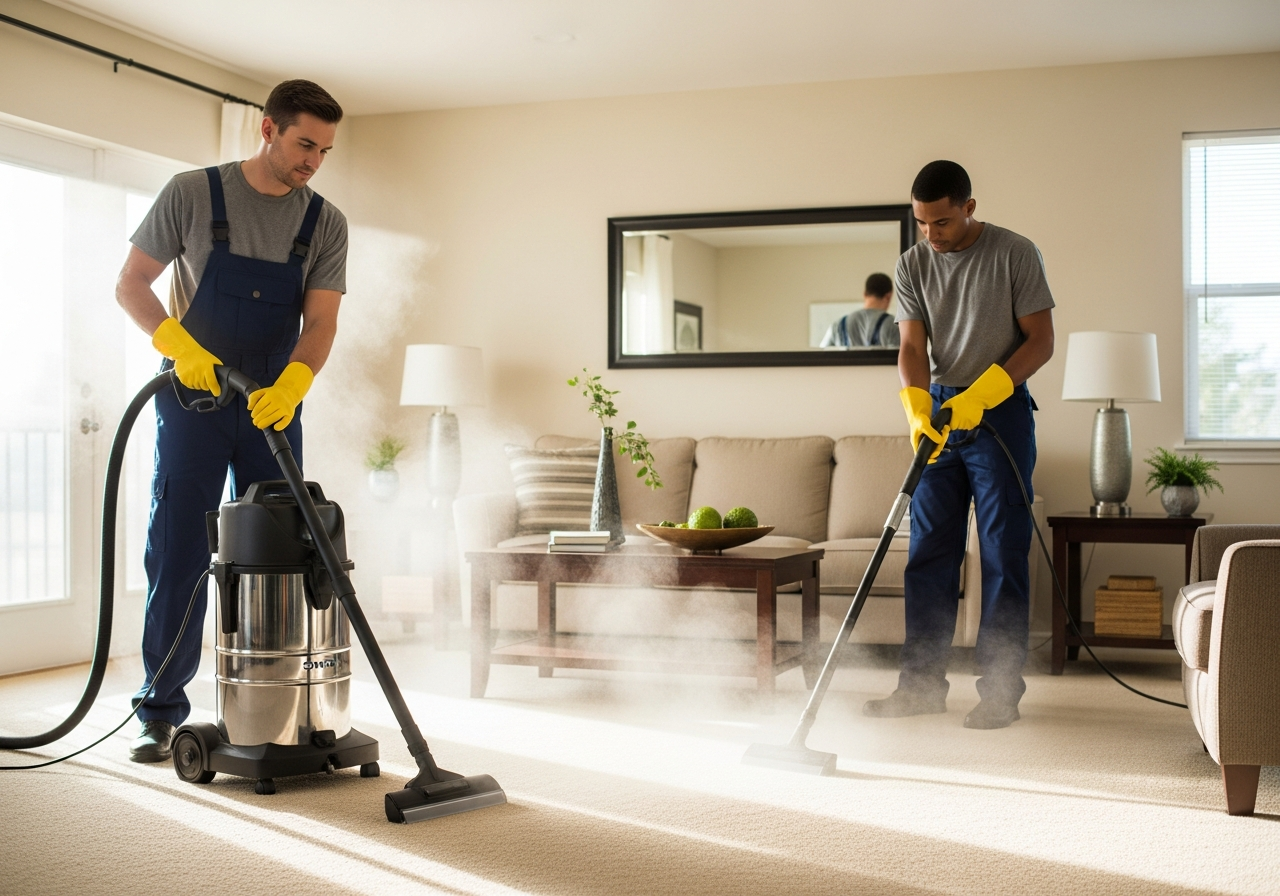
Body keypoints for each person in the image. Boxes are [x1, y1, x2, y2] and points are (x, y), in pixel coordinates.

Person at [115, 80, 348, 762]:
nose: (313, 162)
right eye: (305, 143)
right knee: (181, 549)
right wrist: (177, 344)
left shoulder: (324, 221)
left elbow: (322, 321)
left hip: (272, 404)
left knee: (278, 554)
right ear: (268, 130)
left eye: (326, 150)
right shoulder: (192, 193)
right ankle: (159, 711)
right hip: (194, 400)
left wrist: (297, 380)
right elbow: (131, 283)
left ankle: (277, 702)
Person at [864, 160, 1054, 729]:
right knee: (928, 554)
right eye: (921, 223)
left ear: (968, 207)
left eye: (941, 222)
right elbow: (912, 346)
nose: (931, 234)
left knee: (1001, 551)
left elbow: (1040, 342)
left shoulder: (1015, 252)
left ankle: (999, 693)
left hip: (1002, 406)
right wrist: (916, 404)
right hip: (942, 412)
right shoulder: (911, 265)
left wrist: (984, 394)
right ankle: (920, 686)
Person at [819, 273, 899, 348]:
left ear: (864, 294)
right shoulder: (893, 325)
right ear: (888, 297)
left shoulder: (837, 325)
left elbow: (821, 356)